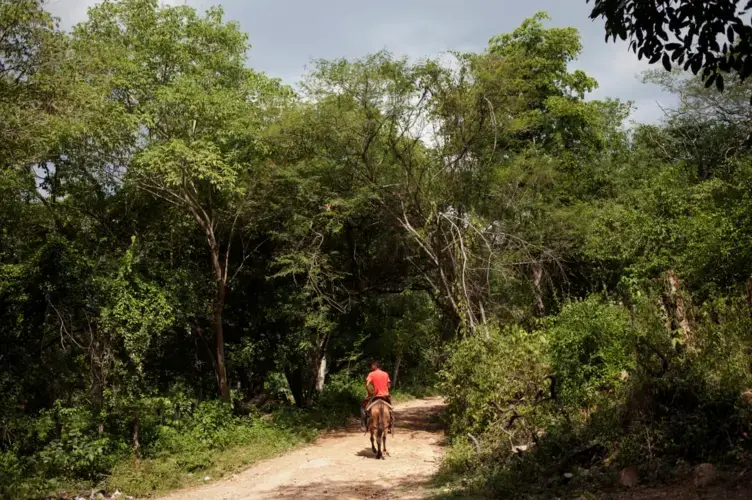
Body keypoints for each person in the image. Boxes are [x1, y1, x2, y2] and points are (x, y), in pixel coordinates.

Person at [360, 361, 393, 431]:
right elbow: (389, 385)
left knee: (362, 407)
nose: (371, 367)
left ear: (375, 366)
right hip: (385, 395)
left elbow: (367, 384)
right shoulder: (385, 374)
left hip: (375, 396)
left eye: (372, 365)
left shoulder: (371, 374)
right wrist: (385, 389)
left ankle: (364, 426)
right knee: (390, 408)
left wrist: (370, 393)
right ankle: (390, 425)